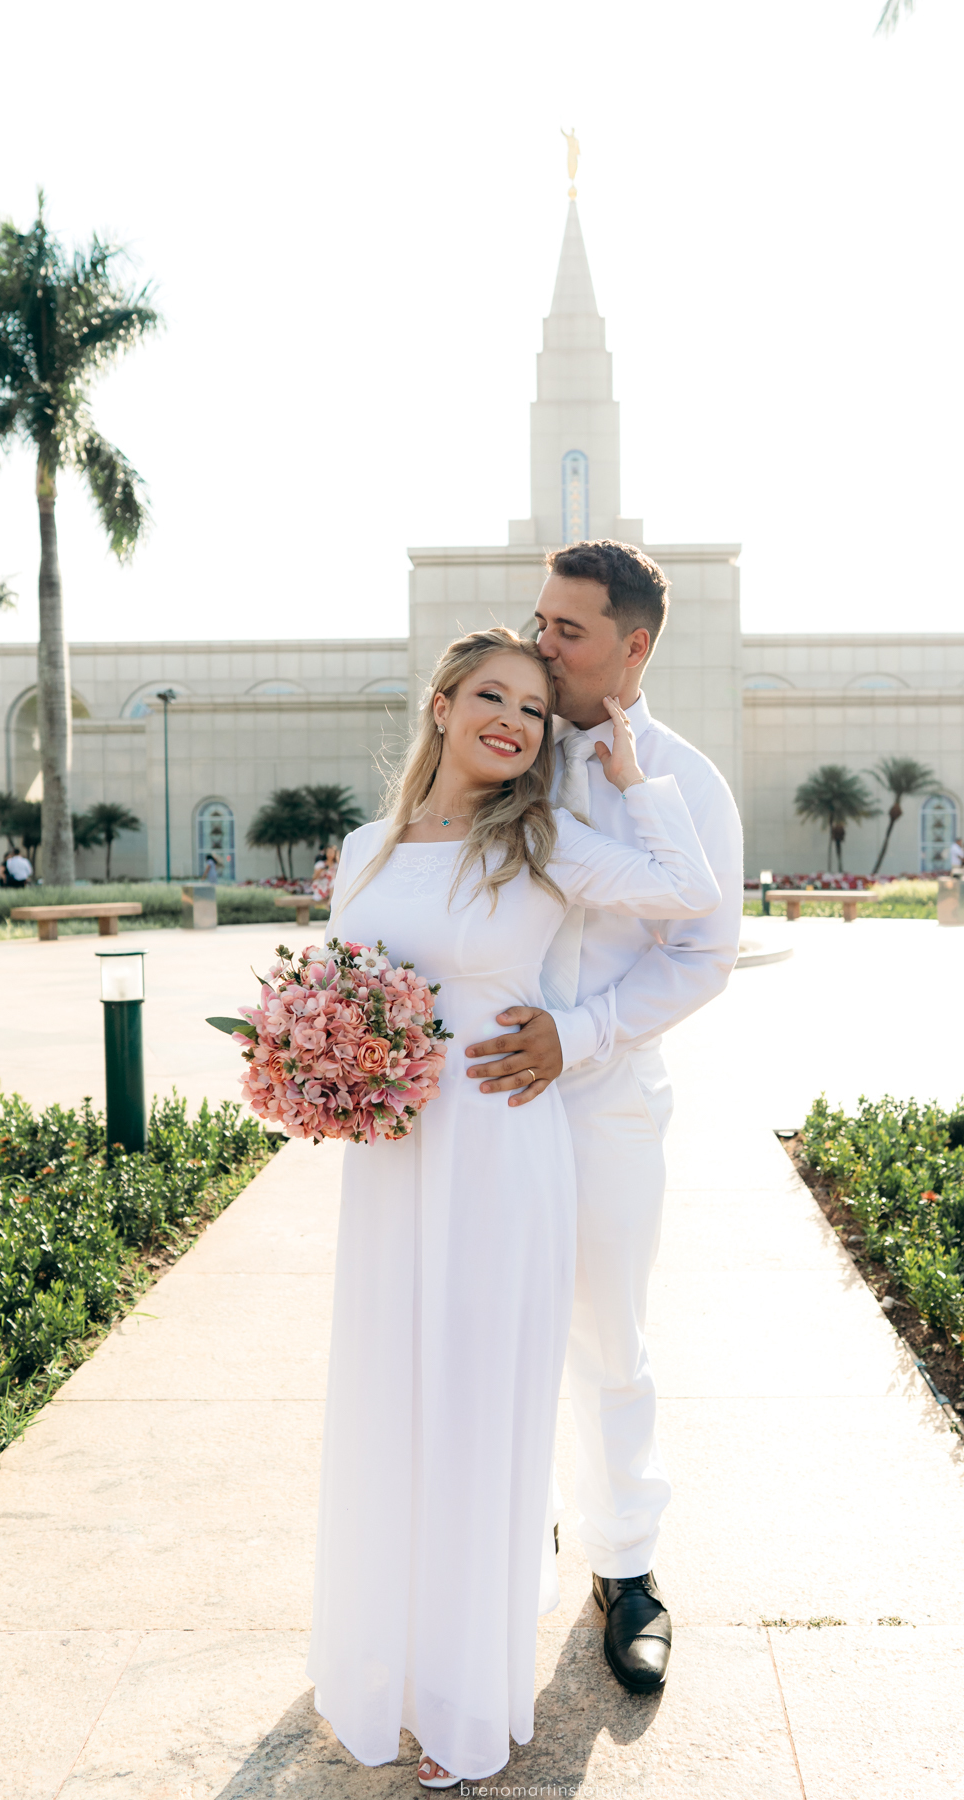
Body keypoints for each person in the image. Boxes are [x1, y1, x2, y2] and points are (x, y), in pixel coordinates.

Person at [307, 626, 719, 1788]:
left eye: (535, 709)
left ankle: (462, 1698)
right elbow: (345, 986)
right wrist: (316, 1059)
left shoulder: (542, 841)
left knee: (482, 1413)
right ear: (440, 706)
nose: (516, 721)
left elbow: (692, 895)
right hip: (391, 1160)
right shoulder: (364, 848)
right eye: (493, 696)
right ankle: (381, 1669)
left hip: (500, 1148)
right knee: (393, 1403)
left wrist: (634, 775)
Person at [462, 541, 743, 1698]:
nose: (540, 645)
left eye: (567, 631)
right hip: (481, 1103)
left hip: (607, 1106)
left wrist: (575, 1040)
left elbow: (706, 953)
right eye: (537, 620)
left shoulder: (687, 783)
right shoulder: (503, 753)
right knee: (485, 1331)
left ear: (632, 646)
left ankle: (626, 1571)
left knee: (607, 1342)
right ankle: (493, 1558)